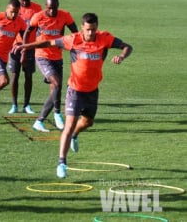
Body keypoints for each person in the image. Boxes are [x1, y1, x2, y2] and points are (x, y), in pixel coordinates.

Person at [15, 13, 133, 178]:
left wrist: (121, 56)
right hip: (75, 90)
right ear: (82, 27)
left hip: (92, 91)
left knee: (87, 122)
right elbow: (49, 42)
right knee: (69, 125)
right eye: (87, 29)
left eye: (93, 29)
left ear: (97, 27)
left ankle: (75, 136)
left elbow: (128, 47)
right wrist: (26, 46)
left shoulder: (105, 38)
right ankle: (61, 162)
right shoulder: (73, 39)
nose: (90, 33)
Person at [22, 0, 78, 132]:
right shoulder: (38, 17)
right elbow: (27, 31)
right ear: (46, 6)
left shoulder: (65, 15)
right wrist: (24, 50)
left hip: (57, 56)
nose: (52, 11)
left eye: (55, 8)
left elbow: (76, 33)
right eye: (50, 8)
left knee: (56, 88)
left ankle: (55, 114)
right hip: (42, 56)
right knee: (57, 83)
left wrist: (75, 47)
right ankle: (45, 119)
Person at [7, 0, 42, 114]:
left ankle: (27, 105)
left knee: (28, 75)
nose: (25, 3)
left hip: (30, 47)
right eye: (22, 1)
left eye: (27, 1)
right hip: (15, 46)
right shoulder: (15, 9)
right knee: (14, 75)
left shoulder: (37, 8)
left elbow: (40, 26)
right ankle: (14, 105)